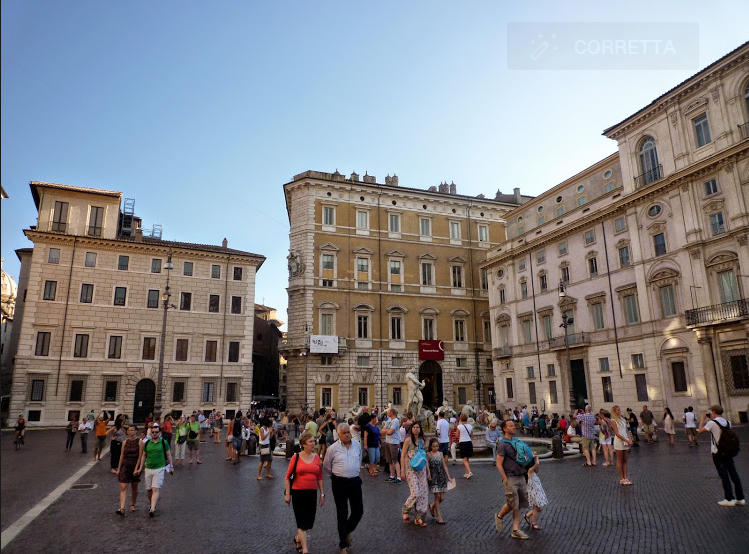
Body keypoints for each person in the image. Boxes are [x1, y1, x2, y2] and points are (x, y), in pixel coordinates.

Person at [323, 424, 363, 554]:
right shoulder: (332, 449)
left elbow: (359, 459)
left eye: (348, 432)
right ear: (338, 435)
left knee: (358, 511)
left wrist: (353, 470)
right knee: (342, 513)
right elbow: (327, 465)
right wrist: (337, 475)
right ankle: (343, 545)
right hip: (339, 482)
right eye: (344, 433)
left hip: (355, 481)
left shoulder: (357, 445)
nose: (347, 435)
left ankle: (346, 531)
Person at [285, 432, 325, 554]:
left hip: (311, 493)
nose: (314, 444)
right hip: (298, 493)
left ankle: (298, 539)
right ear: (303, 444)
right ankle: (305, 550)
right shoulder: (295, 457)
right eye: (311, 442)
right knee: (301, 521)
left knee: (309, 522)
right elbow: (287, 477)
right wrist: (287, 494)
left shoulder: (317, 458)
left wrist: (322, 493)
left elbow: (319, 477)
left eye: (314, 441)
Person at [698, 405, 745, 506]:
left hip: (717, 452)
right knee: (734, 474)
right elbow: (719, 427)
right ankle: (740, 498)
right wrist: (711, 419)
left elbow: (700, 431)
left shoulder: (711, 423)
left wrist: (702, 420)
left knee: (724, 475)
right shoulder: (728, 422)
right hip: (728, 450)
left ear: (714, 412)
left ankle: (729, 498)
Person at [494, 420, 530, 540]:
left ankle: (515, 529)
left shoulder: (516, 442)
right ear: (504, 429)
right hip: (510, 477)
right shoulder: (502, 444)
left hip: (521, 475)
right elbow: (498, 463)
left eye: (514, 425)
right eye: (511, 426)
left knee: (517, 504)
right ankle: (500, 516)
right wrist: (505, 479)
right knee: (513, 503)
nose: (514, 427)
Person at [133, 423, 173, 517]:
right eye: (153, 432)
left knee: (155, 488)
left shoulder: (164, 443)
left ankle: (152, 508)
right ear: (151, 433)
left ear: (159, 433)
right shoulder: (147, 443)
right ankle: (152, 503)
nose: (154, 434)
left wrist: (171, 466)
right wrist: (140, 468)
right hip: (148, 469)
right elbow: (143, 456)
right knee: (148, 490)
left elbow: (168, 455)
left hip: (159, 468)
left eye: (156, 432)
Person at [400, 421, 429, 526]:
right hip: (410, 469)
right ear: (411, 429)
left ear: (420, 429)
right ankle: (405, 509)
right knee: (416, 492)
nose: (416, 429)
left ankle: (419, 517)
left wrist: (428, 472)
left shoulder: (422, 441)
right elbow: (402, 455)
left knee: (423, 493)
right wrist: (402, 471)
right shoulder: (408, 440)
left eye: (417, 427)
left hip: (421, 470)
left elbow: (424, 457)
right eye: (414, 427)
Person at [115, 425, 140, 515]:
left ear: (136, 431)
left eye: (132, 430)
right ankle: (122, 508)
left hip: (134, 466)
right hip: (125, 466)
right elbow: (121, 455)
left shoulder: (139, 442)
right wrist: (118, 468)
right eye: (129, 430)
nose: (130, 432)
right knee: (123, 487)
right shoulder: (125, 442)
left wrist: (137, 468)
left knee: (134, 487)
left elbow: (140, 456)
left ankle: (132, 504)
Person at [426, 437, 451, 524]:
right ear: (430, 446)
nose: (435, 448)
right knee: (437, 497)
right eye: (433, 446)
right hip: (434, 477)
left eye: (437, 446)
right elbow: (427, 466)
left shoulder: (440, 454)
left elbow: (444, 466)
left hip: (441, 477)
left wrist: (448, 477)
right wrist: (428, 474)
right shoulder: (429, 454)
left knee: (442, 498)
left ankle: (432, 505)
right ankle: (439, 517)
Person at [611, 405, 633, 485]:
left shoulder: (623, 419)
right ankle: (621, 478)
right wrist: (626, 440)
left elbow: (626, 430)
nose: (619, 411)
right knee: (620, 459)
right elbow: (617, 433)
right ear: (614, 411)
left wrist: (630, 439)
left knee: (625, 460)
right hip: (619, 441)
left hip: (626, 440)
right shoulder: (613, 420)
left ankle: (626, 477)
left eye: (619, 410)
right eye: (617, 410)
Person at [524, 455, 548, 531]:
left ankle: (527, 515)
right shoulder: (530, 471)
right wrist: (536, 457)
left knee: (539, 508)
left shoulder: (532, 471)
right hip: (534, 491)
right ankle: (534, 523)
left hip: (537, 491)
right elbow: (537, 464)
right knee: (536, 507)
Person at [382, 408, 402, 483]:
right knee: (389, 461)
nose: (387, 413)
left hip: (394, 442)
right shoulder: (389, 420)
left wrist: (387, 430)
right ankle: (392, 476)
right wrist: (387, 430)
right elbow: (383, 430)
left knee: (395, 460)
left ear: (392, 412)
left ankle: (399, 477)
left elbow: (390, 432)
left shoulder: (396, 421)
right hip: (388, 441)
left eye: (388, 412)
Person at [457, 414, 473, 479]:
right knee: (467, 458)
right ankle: (466, 473)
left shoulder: (459, 426)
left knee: (464, 459)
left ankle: (469, 471)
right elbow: (472, 434)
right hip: (469, 442)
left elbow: (457, 435)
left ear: (460, 419)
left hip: (463, 442)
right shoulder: (470, 426)